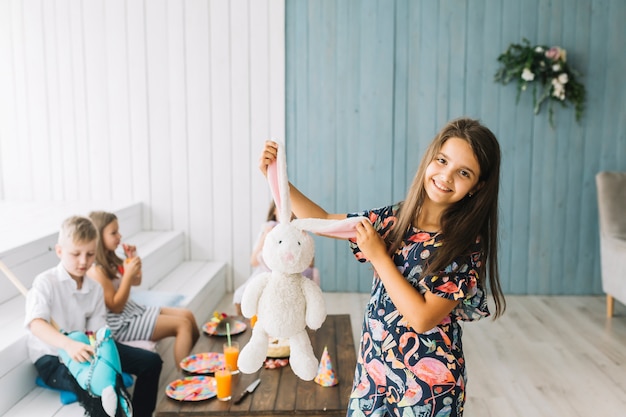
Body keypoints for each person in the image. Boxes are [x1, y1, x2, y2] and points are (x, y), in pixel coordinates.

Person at [258, 117, 506, 417]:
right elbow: (322, 221)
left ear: (477, 187)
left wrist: (379, 256)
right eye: (442, 161)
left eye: (463, 172)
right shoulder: (396, 219)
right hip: (374, 373)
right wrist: (277, 180)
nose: (446, 176)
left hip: (427, 389)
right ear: (430, 159)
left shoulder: (464, 245)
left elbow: (422, 318)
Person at [24, 215, 162, 417]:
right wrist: (68, 345)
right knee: (102, 393)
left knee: (151, 362)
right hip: (54, 357)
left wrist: (103, 354)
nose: (83, 261)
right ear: (59, 251)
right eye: (75, 254)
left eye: (90, 254)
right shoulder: (45, 282)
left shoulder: (95, 288)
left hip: (89, 348)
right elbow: (36, 325)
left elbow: (98, 332)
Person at [88, 211, 200, 366]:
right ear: (99, 237)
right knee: (183, 325)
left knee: (187, 315)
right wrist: (127, 275)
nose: (119, 236)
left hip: (131, 310)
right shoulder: (97, 270)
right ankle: (187, 379)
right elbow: (115, 306)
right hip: (119, 323)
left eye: (118, 231)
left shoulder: (111, 260)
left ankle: (196, 364)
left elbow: (136, 281)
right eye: (113, 233)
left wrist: (133, 258)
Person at [233, 201, 319, 316]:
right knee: (244, 295)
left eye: (290, 210)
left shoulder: (298, 231)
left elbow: (310, 263)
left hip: (292, 274)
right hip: (266, 272)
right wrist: (265, 235)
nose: (286, 213)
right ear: (274, 210)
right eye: (281, 208)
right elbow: (253, 261)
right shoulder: (268, 230)